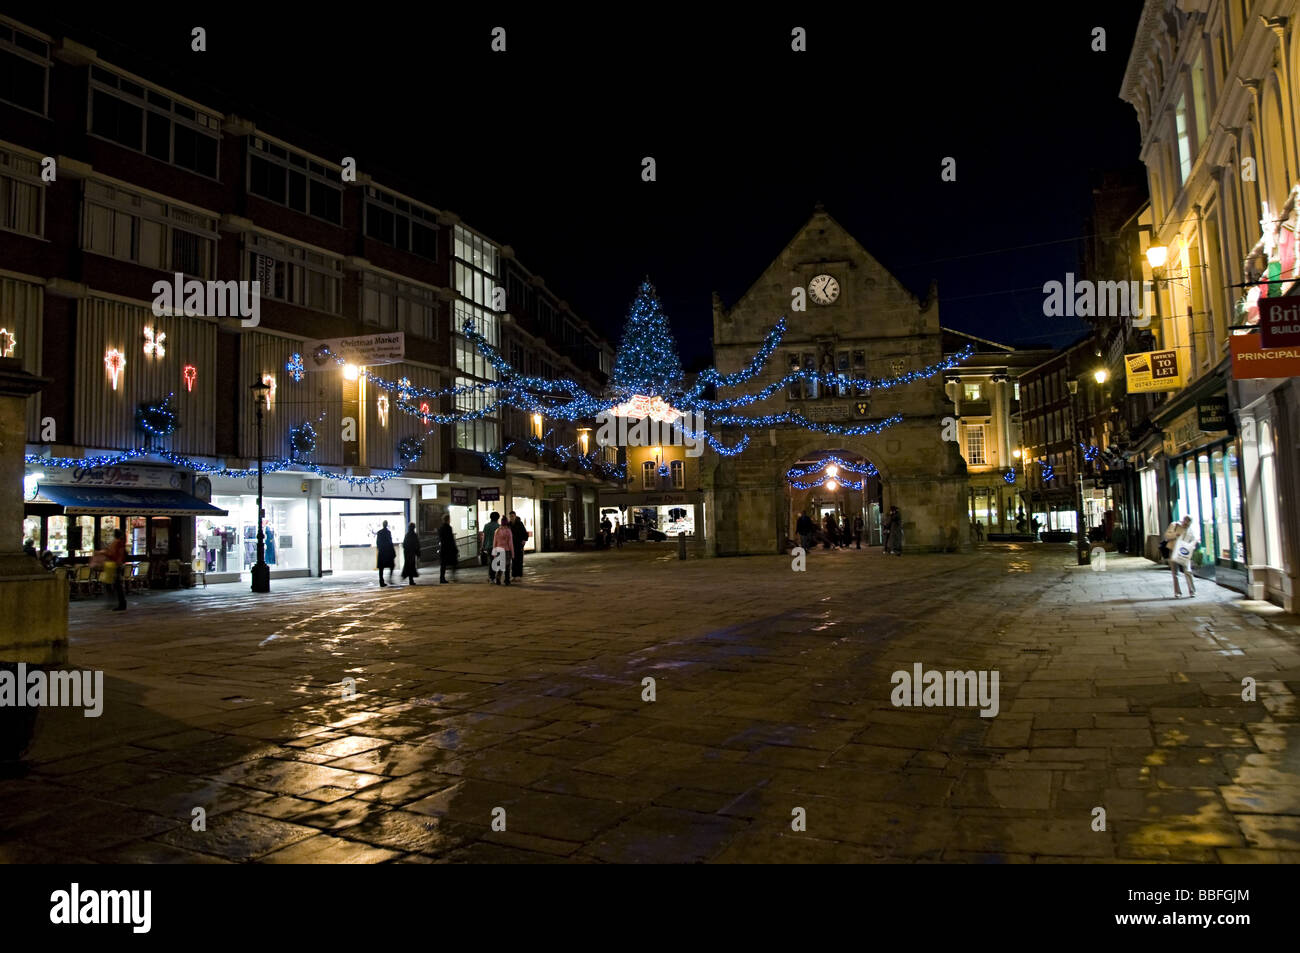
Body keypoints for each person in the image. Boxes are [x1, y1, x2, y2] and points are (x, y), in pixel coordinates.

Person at [1165, 515, 1197, 598]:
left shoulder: (1190, 530)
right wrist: (1175, 534)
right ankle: (1177, 592)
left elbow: (1193, 541)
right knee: (1175, 573)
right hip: (1173, 551)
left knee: (1188, 571)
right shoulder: (1174, 525)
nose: (1186, 526)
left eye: (1188, 524)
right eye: (1186, 524)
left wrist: (1192, 546)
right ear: (1183, 521)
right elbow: (1166, 535)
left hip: (1184, 553)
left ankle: (1192, 591)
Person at [107, 528, 127, 611]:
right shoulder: (120, 543)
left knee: (117, 585)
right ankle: (120, 603)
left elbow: (113, 553)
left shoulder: (117, 543)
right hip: (117, 565)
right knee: (117, 585)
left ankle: (121, 603)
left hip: (115, 565)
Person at [492, 517, 514, 585]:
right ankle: (507, 580)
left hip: (499, 550)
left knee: (500, 565)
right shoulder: (508, 531)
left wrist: (494, 552)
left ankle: (498, 579)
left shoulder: (497, 531)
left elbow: (494, 542)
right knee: (507, 566)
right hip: (507, 550)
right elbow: (510, 543)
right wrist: (512, 553)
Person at [375, 520, 396, 587]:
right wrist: (392, 552)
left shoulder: (379, 532)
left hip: (381, 552)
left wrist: (380, 549)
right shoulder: (388, 532)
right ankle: (389, 579)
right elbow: (390, 542)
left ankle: (381, 581)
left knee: (381, 568)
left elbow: (377, 543)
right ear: (387, 525)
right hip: (388, 552)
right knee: (391, 566)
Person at [438, 514, 458, 584]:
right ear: (448, 520)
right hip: (449, 548)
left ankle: (442, 578)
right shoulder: (449, 528)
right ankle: (452, 576)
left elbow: (440, 538)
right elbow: (451, 539)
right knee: (453, 562)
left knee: (443, 564)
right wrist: (454, 547)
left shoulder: (440, 528)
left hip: (443, 548)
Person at [481, 511, 500, 583]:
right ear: (497, 518)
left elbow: (484, 537)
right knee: (495, 562)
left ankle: (491, 576)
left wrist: (482, 546)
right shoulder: (498, 526)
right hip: (496, 547)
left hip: (488, 546)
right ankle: (492, 577)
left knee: (491, 561)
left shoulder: (486, 526)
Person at [509, 510, 528, 581]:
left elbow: (525, 533)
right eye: (510, 516)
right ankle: (514, 575)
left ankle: (519, 575)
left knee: (519, 560)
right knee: (513, 560)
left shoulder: (520, 524)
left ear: (515, 516)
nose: (511, 518)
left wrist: (524, 540)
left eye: (512, 516)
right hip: (512, 545)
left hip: (519, 544)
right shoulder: (509, 524)